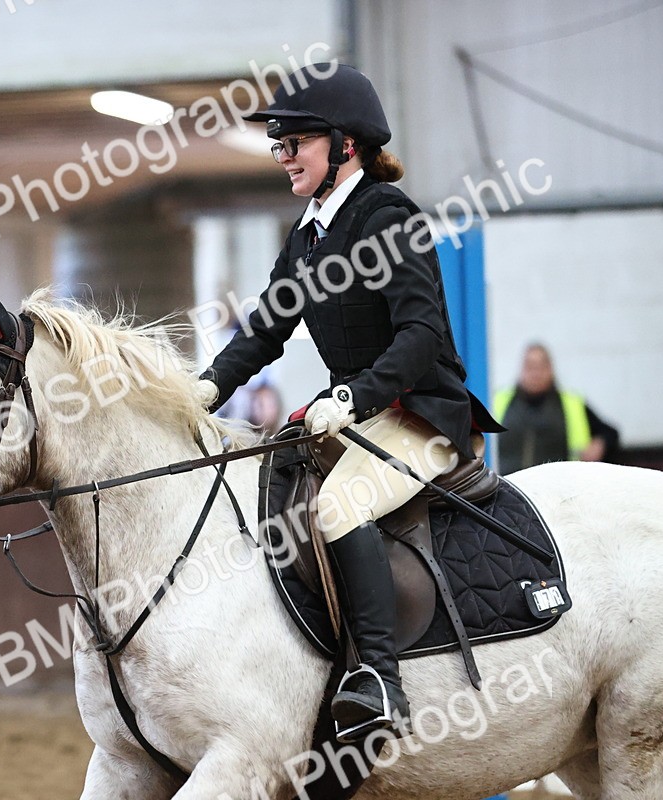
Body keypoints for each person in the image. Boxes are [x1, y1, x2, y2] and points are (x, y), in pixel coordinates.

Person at [194, 64, 503, 742]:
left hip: (420, 415)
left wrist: (352, 393)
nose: (283, 158)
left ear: (344, 145)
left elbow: (423, 334)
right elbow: (268, 327)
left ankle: (381, 683)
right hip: (357, 414)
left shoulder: (389, 219)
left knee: (337, 508)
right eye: (279, 145)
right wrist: (209, 385)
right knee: (270, 492)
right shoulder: (308, 233)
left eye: (294, 143)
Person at [493, 343, 620, 474]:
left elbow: (610, 434)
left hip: (560, 488)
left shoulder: (572, 403)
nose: (536, 373)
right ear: (521, 369)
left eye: (541, 367)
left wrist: (598, 445)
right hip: (507, 487)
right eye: (530, 367)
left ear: (551, 369)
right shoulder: (497, 402)